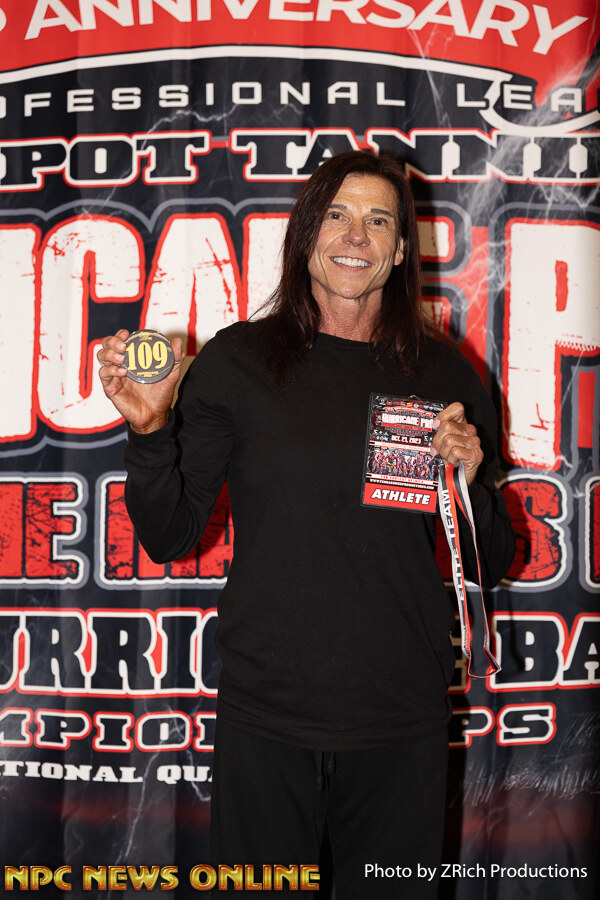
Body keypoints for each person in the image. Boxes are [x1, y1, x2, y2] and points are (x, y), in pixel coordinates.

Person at [98, 150, 514, 898]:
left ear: (399, 252)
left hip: (401, 721)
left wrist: (470, 481)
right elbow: (168, 535)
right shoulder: (239, 361)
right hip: (266, 719)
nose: (356, 236)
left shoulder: (446, 375)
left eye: (378, 221)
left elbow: (496, 558)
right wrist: (151, 432)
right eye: (337, 215)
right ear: (305, 235)